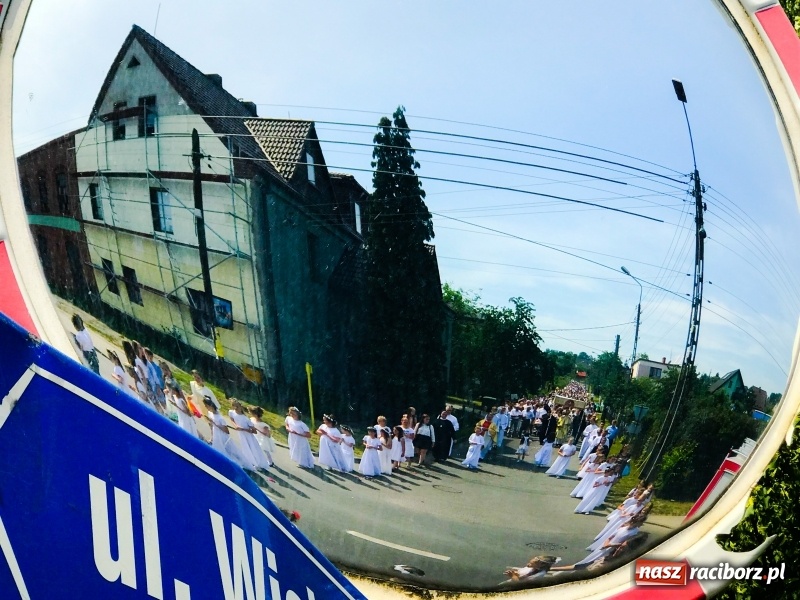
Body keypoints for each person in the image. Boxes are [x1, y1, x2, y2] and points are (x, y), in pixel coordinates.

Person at [203, 397, 250, 469]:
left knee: (230, 450)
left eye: (206, 406)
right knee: (218, 449)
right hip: (216, 435)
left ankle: (236, 464)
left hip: (222, 435)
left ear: (211, 406)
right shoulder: (210, 413)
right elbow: (211, 426)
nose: (206, 407)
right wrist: (212, 436)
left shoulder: (220, 418)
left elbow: (227, 431)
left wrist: (214, 424)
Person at [229, 399, 270, 471]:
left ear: (241, 407)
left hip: (248, 436)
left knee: (252, 449)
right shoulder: (231, 412)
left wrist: (243, 429)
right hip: (241, 435)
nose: (235, 408)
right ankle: (248, 462)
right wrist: (235, 425)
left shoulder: (245, 419)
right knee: (244, 449)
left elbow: (254, 431)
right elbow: (232, 419)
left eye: (237, 406)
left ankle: (257, 464)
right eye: (234, 406)